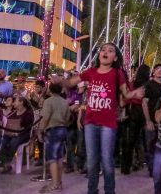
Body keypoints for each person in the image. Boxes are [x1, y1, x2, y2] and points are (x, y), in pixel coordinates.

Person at [54, 42, 144, 194]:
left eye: (110, 51)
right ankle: (92, 190)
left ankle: (109, 191)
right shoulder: (91, 72)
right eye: (103, 50)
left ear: (115, 57)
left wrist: (135, 93)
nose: (106, 52)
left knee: (107, 160)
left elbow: (126, 94)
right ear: (99, 54)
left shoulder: (117, 73)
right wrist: (60, 80)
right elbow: (70, 83)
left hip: (108, 123)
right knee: (92, 160)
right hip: (90, 122)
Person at [37, 83, 71, 193]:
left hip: (52, 130)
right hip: (63, 129)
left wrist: (40, 130)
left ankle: (55, 184)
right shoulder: (65, 102)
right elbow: (67, 118)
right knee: (60, 157)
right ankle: (59, 182)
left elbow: (45, 117)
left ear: (50, 90)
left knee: (52, 158)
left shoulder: (48, 101)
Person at [120, 64, 150, 175]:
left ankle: (126, 168)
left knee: (130, 142)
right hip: (146, 112)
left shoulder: (133, 84)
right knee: (147, 141)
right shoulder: (149, 85)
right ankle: (147, 166)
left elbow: (126, 100)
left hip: (134, 113)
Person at [143, 63, 161, 176]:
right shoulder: (149, 85)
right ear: (153, 72)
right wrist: (148, 120)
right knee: (151, 145)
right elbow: (144, 103)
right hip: (152, 119)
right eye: (158, 69)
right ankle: (152, 168)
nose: (160, 71)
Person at [0, 96, 34, 174]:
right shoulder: (13, 112)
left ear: (21, 102)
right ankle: (3, 162)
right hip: (11, 133)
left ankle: (7, 162)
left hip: (24, 134)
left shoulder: (28, 113)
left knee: (14, 142)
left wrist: (18, 132)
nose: (14, 103)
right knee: (3, 141)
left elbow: (28, 127)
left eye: (16, 101)